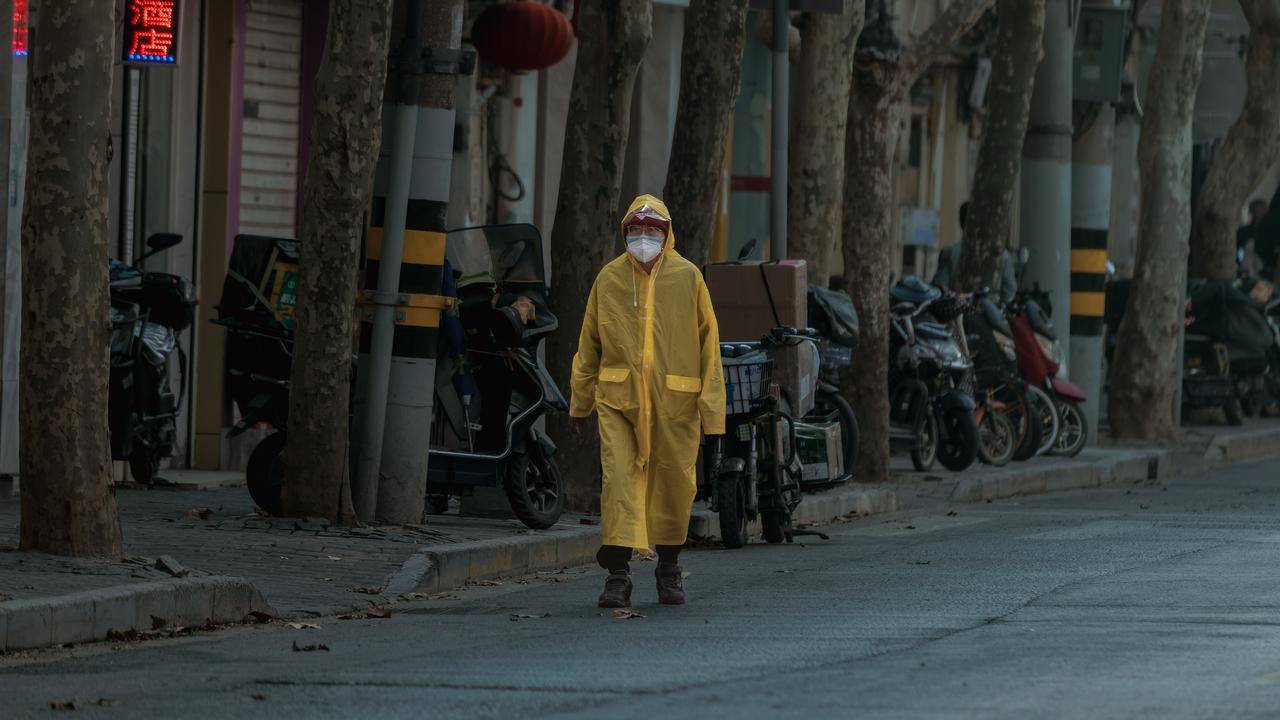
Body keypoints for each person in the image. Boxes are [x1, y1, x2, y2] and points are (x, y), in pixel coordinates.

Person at [569, 194, 726, 608]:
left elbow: (711, 349)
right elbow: (589, 346)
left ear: (666, 235)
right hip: (619, 402)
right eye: (635, 231)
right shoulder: (608, 279)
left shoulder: (688, 278)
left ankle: (669, 566)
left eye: (651, 231)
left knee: (675, 485)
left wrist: (712, 413)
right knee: (619, 484)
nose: (642, 239)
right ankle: (618, 577)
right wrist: (580, 404)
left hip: (676, 404)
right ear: (625, 233)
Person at [933, 202, 1018, 305]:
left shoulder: (949, 252)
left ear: (961, 223)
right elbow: (1009, 292)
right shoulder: (1002, 255)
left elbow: (940, 287)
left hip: (956, 314)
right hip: (988, 314)